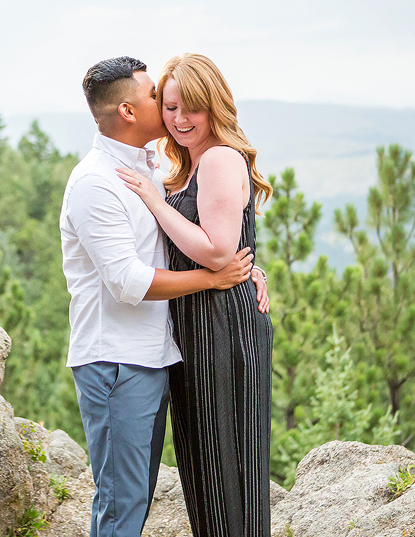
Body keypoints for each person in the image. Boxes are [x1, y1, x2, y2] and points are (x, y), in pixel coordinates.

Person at [61, 56, 269, 537]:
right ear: (130, 112)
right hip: (117, 360)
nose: (171, 111)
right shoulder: (97, 181)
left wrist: (245, 265)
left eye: (182, 103)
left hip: (161, 354)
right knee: (123, 502)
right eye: (159, 98)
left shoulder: (150, 166)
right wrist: (214, 278)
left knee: (155, 491)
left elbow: (192, 238)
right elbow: (128, 281)